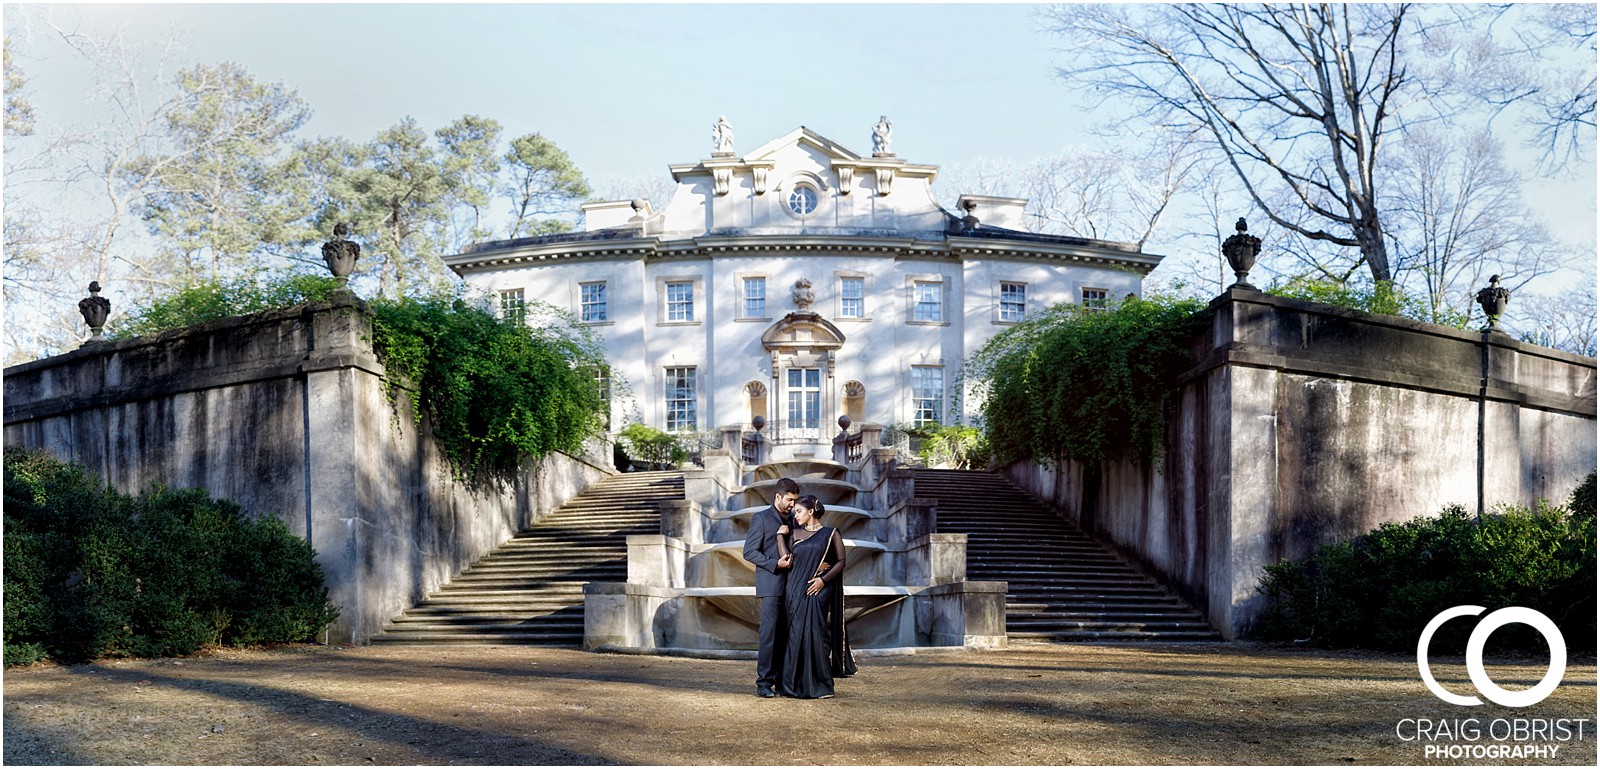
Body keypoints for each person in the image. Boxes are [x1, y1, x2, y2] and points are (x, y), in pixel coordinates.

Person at [779, 494, 857, 699]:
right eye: (794, 511)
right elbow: (786, 559)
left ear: (811, 511)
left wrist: (823, 580)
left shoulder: (831, 534)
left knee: (816, 633)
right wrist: (780, 536)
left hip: (818, 590)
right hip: (794, 590)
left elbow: (840, 561)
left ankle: (821, 685)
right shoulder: (794, 534)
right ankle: (791, 685)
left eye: (799, 511)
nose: (795, 515)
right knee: (795, 636)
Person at [743, 476, 799, 698]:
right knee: (769, 636)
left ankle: (783, 682)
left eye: (795, 500)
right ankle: (763, 683)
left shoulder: (796, 519)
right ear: (777, 496)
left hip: (793, 587)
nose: (792, 505)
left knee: (788, 635)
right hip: (770, 585)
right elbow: (749, 552)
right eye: (789, 500)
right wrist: (774, 564)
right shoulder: (761, 519)